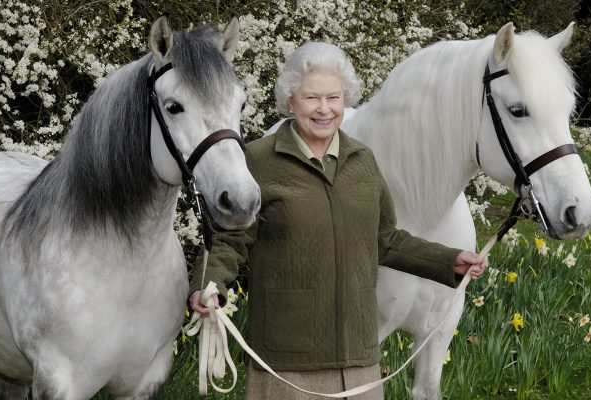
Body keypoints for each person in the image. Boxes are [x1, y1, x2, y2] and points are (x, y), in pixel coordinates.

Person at [188, 42, 487, 400]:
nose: (324, 109)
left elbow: (385, 239)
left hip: (359, 358)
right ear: (290, 100)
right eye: (312, 97)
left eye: (334, 97)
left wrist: (447, 260)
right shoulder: (259, 159)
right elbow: (232, 239)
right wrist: (209, 284)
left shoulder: (363, 160)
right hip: (288, 359)